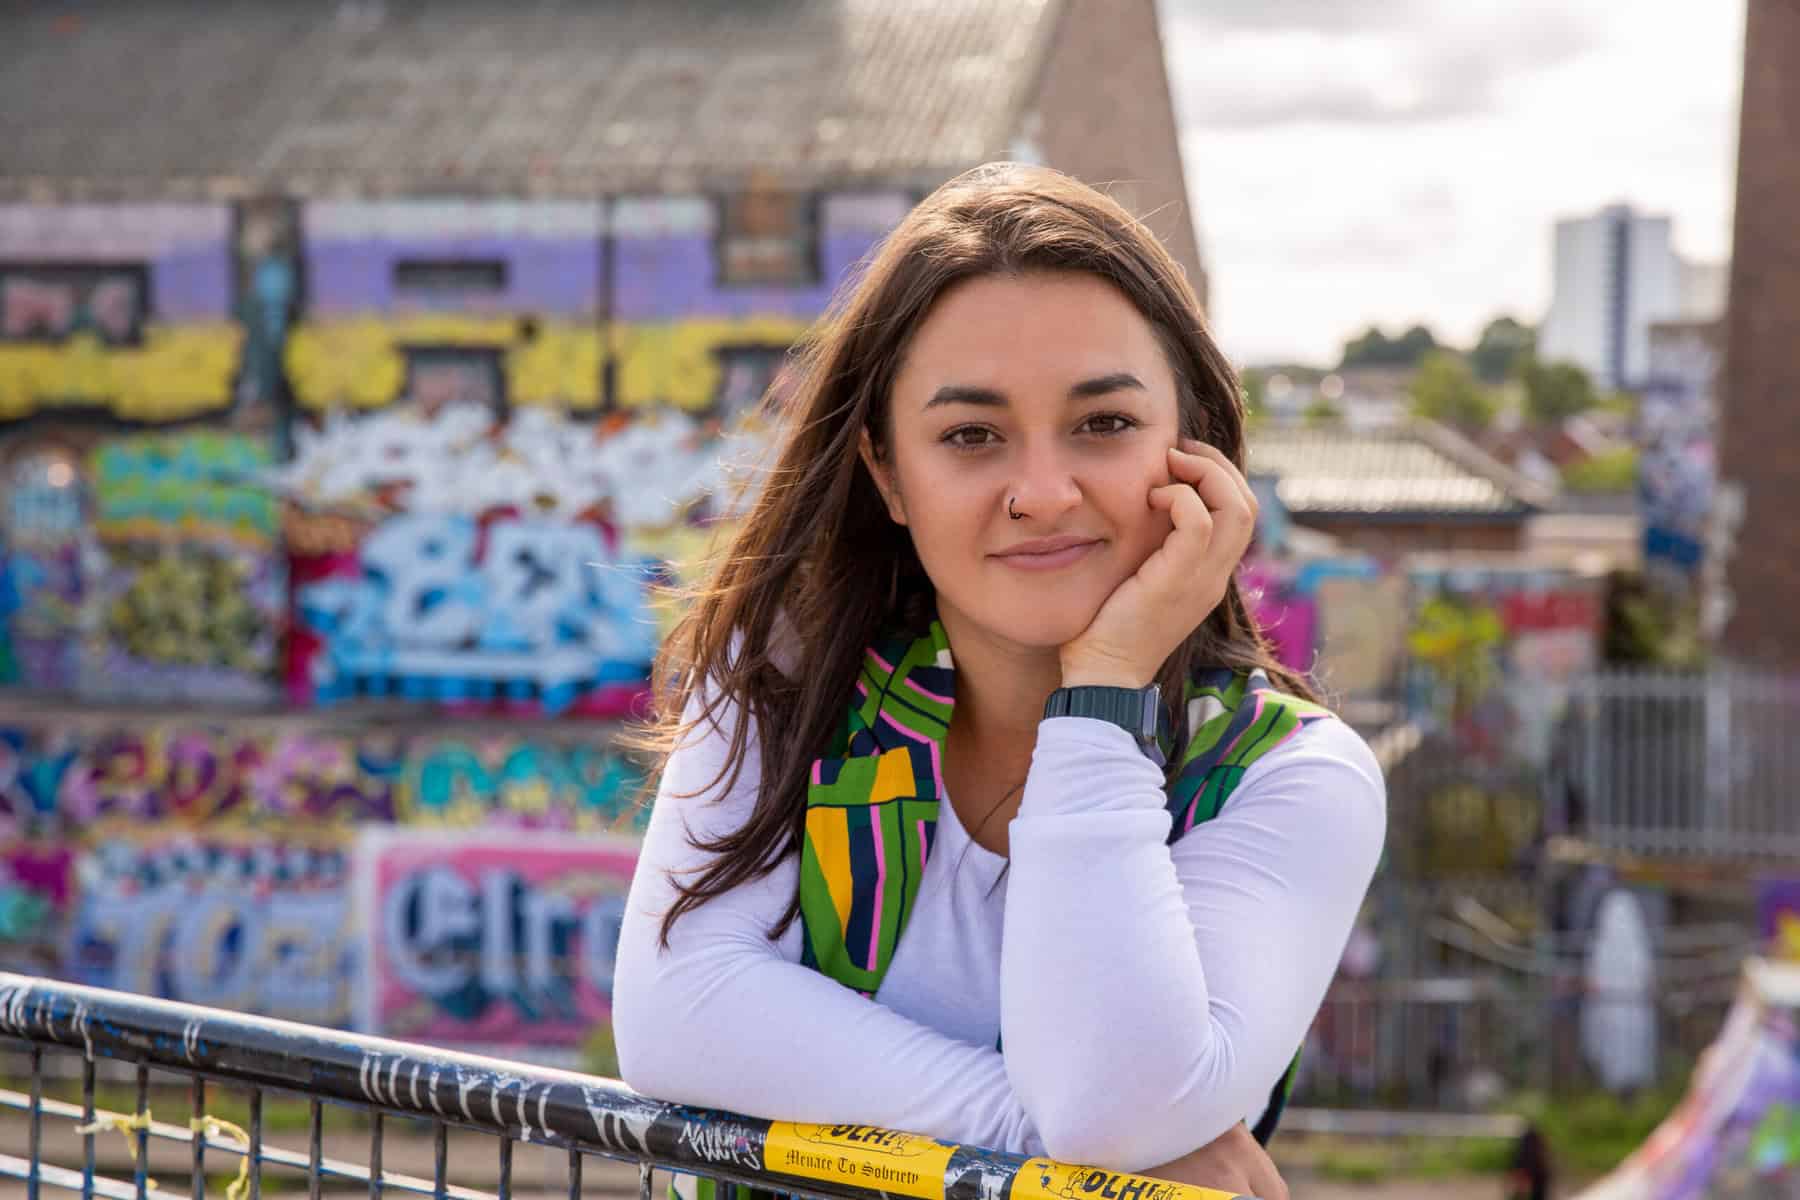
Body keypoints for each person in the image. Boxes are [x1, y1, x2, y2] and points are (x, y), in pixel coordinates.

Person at [613, 163, 1386, 1200]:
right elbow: (677, 1012)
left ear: (1193, 444)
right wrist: (1032, 1132)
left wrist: (1105, 691)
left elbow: (1114, 1100)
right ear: (888, 473)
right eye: (970, 436)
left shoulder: (1287, 775)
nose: (1042, 492)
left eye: (1103, 424)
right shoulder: (782, 682)